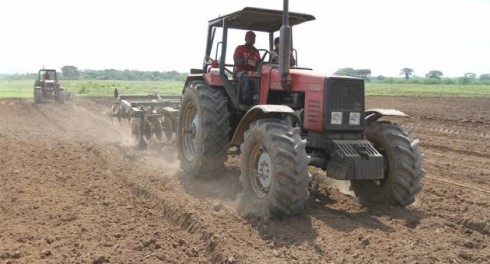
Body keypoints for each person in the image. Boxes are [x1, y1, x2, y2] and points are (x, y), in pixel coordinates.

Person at [233, 31, 261, 106]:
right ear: (246, 39)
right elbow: (237, 62)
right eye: (250, 38)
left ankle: (258, 100)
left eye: (253, 38)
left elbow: (259, 64)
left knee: (263, 78)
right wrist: (244, 60)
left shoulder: (256, 51)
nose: (252, 39)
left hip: (253, 73)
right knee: (246, 77)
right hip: (240, 71)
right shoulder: (240, 48)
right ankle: (245, 101)